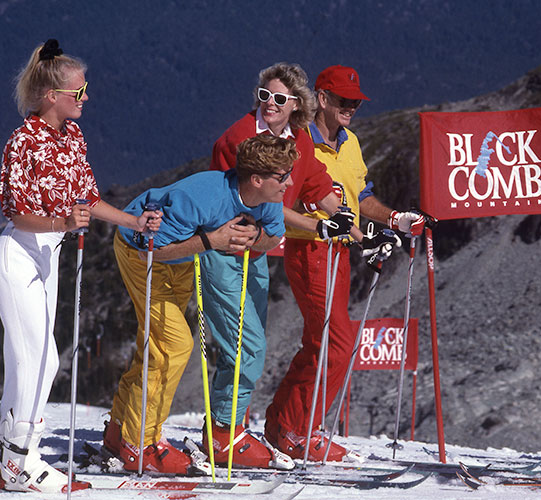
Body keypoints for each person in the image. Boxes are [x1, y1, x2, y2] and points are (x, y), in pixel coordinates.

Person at [0, 39, 161, 492]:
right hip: (19, 255)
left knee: (26, 362)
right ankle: (17, 461)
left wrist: (132, 220)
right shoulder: (23, 142)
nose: (86, 96)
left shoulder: (72, 137)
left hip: (49, 253)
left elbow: (86, 196)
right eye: (80, 90)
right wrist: (63, 221)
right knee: (41, 361)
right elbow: (14, 211)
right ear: (53, 96)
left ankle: (14, 453)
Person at [102, 135, 295, 474]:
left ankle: (120, 430)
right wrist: (211, 240)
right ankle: (141, 444)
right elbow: (152, 249)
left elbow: (272, 236)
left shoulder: (269, 198)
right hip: (143, 252)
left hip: (184, 258)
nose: (289, 182)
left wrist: (254, 238)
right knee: (173, 345)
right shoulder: (199, 197)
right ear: (257, 180)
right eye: (283, 176)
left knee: (156, 346)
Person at [199, 62, 358, 469]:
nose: (270, 104)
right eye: (264, 95)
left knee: (251, 343)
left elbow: (318, 187)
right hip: (227, 247)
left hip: (261, 251)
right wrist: (319, 227)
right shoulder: (239, 138)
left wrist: (361, 231)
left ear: (296, 105)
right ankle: (222, 434)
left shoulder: (298, 140)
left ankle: (232, 429)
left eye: (280, 99)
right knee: (245, 344)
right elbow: (259, 200)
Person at [263, 65, 424, 462]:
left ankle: (283, 424)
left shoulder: (349, 141)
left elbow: (359, 196)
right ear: (322, 99)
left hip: (340, 251)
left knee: (321, 343)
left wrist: (394, 219)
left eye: (355, 101)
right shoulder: (301, 141)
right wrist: (322, 227)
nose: (351, 107)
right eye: (343, 100)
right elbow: (285, 196)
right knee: (337, 343)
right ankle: (299, 432)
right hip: (310, 249)